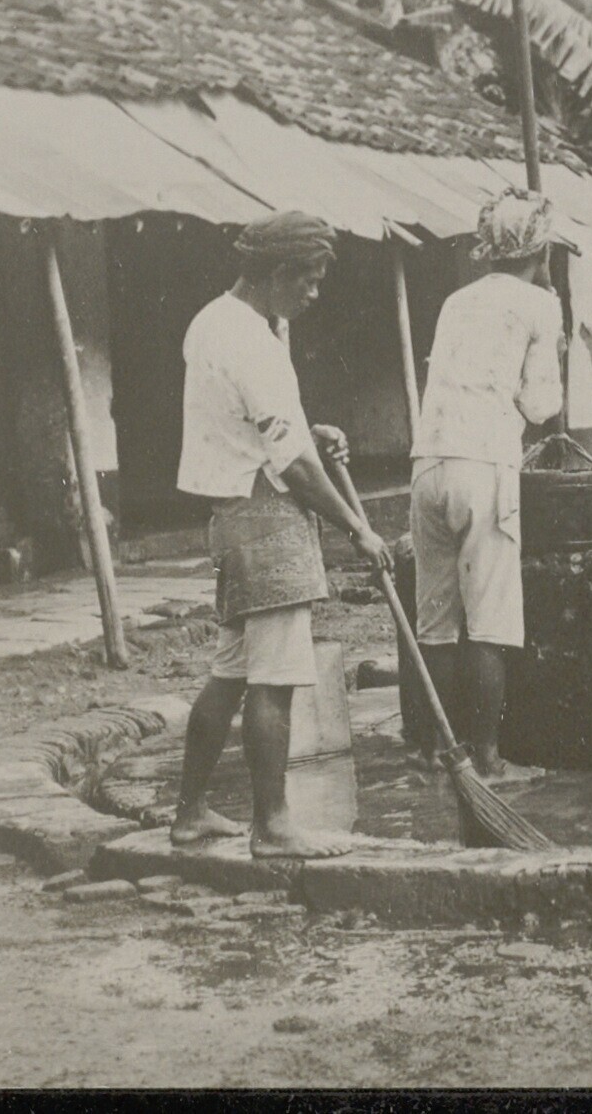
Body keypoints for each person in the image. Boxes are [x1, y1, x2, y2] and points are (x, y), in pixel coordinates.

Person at [171, 211, 394, 860]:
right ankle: (273, 826)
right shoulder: (253, 341)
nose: (314, 293)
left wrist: (307, 428)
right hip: (269, 520)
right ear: (274, 272)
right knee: (274, 680)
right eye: (309, 278)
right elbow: (291, 465)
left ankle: (189, 814)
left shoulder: (212, 320)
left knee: (230, 673)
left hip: (232, 514)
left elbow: (251, 423)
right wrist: (357, 528)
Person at [409, 189, 564, 781]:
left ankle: (433, 750)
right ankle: (489, 760)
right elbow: (542, 405)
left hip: (428, 462)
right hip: (484, 465)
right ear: (540, 251)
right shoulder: (539, 304)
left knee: (437, 621)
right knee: (490, 621)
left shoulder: (457, 301)